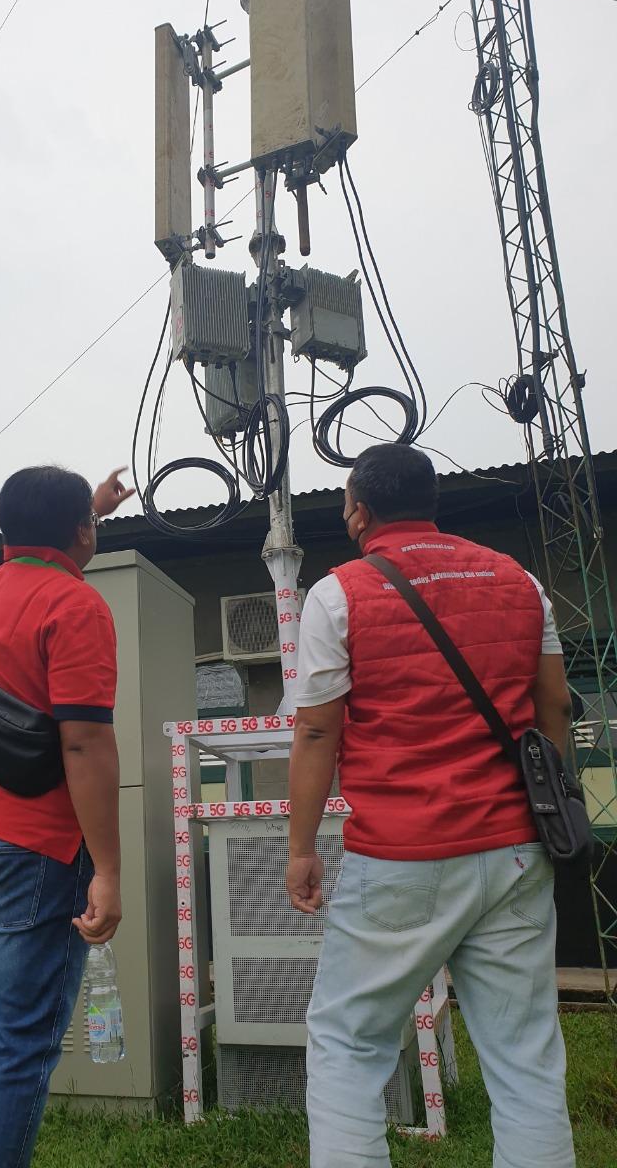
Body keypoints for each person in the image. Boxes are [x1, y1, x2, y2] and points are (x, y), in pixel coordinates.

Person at [286, 443, 576, 1168]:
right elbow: (553, 714)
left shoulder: (338, 594)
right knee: (525, 1058)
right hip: (515, 851)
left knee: (349, 1044)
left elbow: (318, 728)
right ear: (432, 502)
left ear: (359, 509)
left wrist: (300, 849)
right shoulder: (520, 582)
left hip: (399, 857)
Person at [0, 466, 132, 1168]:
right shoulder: (77, 607)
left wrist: (88, 512)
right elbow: (82, 739)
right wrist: (106, 869)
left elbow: (38, 552)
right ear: (82, 532)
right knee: (22, 1039)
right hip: (36, 846)